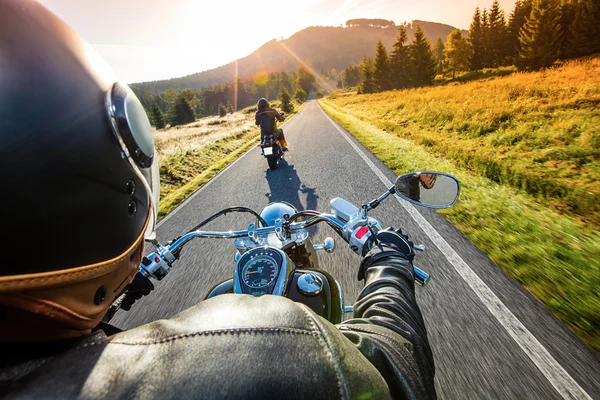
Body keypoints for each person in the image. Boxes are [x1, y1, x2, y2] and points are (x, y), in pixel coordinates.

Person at [0, 2, 436, 399]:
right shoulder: (296, 351)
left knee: (274, 143)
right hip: (279, 159)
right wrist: (390, 263)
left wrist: (128, 286)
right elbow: (393, 362)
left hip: (267, 148)